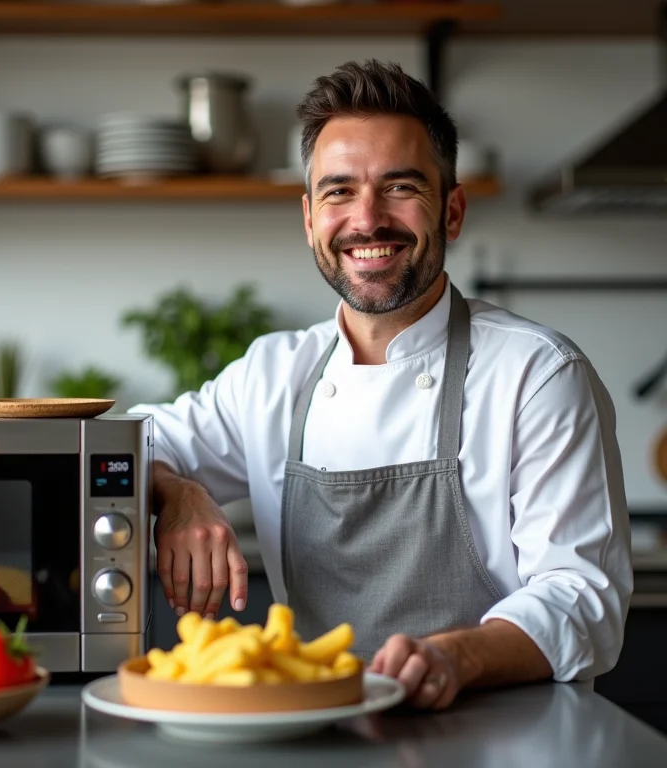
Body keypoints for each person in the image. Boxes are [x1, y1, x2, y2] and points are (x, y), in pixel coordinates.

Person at [131, 59, 633, 710]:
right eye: (339, 191)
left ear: (451, 211)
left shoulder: (537, 374)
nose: (368, 219)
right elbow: (122, 444)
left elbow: (583, 596)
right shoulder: (272, 376)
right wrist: (177, 490)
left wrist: (456, 656)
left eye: (400, 187)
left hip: (508, 739)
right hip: (317, 739)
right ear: (310, 219)